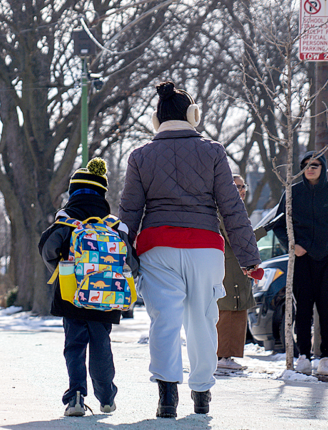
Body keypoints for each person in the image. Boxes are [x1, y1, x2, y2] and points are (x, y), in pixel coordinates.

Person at [119, 81, 260, 418]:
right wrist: (249, 257)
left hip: (157, 248)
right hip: (204, 246)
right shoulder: (213, 152)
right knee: (202, 319)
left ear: (157, 120)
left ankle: (167, 397)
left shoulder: (139, 156)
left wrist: (122, 256)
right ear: (193, 115)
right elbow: (231, 208)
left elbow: (129, 213)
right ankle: (201, 392)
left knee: (164, 321)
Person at [39, 158, 137, 417]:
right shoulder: (114, 225)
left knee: (74, 346)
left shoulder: (66, 221)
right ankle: (106, 397)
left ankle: (76, 396)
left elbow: (47, 249)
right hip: (106, 295)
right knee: (102, 345)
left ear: (73, 192)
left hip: (71, 295)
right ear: (102, 193)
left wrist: (62, 272)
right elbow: (132, 261)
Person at [272, 150, 328, 375]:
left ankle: (325, 357)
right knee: (302, 309)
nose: (311, 168)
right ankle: (303, 355)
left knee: (326, 310)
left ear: (323, 168)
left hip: (326, 260)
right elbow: (278, 224)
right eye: (306, 164)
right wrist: (292, 246)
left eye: (315, 164)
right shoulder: (292, 192)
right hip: (302, 260)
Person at [216, 175, 267, 371]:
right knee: (228, 311)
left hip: (239, 269)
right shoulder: (226, 212)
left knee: (238, 312)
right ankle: (222, 356)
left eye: (243, 186)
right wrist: (264, 230)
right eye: (236, 186)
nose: (241, 190)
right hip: (230, 270)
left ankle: (228, 356)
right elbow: (238, 240)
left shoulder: (238, 211)